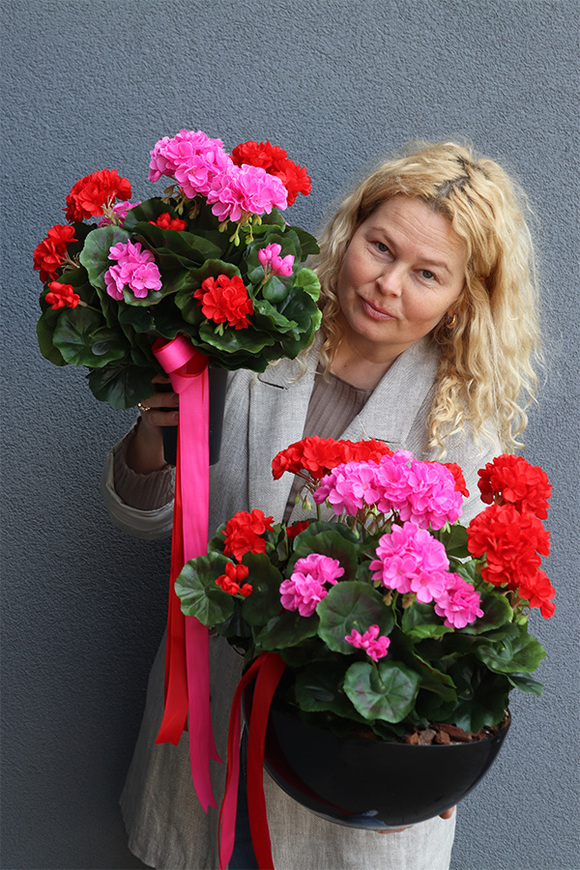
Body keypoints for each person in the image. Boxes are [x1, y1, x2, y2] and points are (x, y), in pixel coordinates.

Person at [102, 140, 541, 870]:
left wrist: (440, 752)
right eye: (380, 247)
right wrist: (153, 435)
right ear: (352, 228)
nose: (387, 284)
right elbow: (142, 520)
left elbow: (458, 624)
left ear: (464, 299)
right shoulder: (256, 345)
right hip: (210, 730)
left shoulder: (464, 427)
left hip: (349, 779)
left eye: (426, 274)